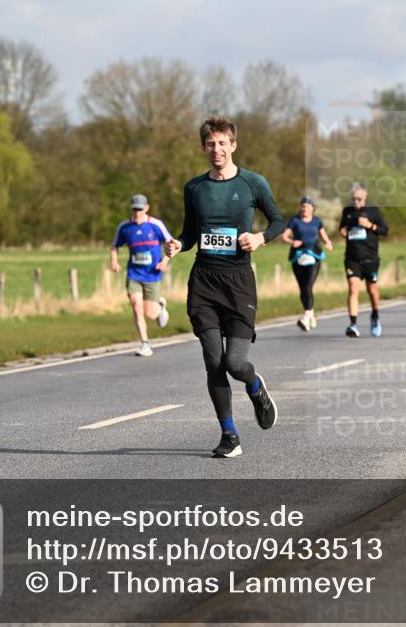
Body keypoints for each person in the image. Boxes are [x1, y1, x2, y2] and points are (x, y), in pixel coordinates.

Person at [165, 116, 283, 458]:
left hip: (239, 284)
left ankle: (255, 385)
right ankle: (229, 434)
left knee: (235, 363)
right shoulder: (194, 188)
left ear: (233, 145)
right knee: (213, 362)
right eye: (210, 144)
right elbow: (189, 232)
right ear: (203, 148)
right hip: (204, 282)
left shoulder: (253, 183)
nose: (216, 149)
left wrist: (260, 237)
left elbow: (278, 220)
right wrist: (178, 245)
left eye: (222, 143)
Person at [110, 194, 171, 357]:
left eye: (140, 209)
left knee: (150, 314)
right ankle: (145, 344)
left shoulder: (156, 225)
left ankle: (160, 308)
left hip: (152, 274)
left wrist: (164, 261)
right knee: (137, 308)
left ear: (146, 208)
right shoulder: (124, 227)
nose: (137, 212)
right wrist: (114, 262)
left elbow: (172, 245)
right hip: (134, 274)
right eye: (134, 209)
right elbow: (114, 246)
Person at [339, 182, 389, 337]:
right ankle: (353, 324)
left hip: (370, 258)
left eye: (359, 199)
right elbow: (342, 229)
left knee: (372, 290)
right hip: (352, 258)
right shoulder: (347, 211)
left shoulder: (373, 211)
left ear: (365, 196)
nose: (356, 202)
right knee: (353, 288)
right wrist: (343, 232)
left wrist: (370, 225)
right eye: (354, 199)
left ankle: (375, 314)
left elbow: (385, 231)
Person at [281, 196, 333, 332]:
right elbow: (284, 236)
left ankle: (306, 316)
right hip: (298, 256)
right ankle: (310, 313)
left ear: (312, 208)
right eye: (302, 206)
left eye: (307, 206)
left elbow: (323, 235)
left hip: (313, 256)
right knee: (303, 288)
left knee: (308, 285)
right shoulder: (294, 220)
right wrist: (293, 242)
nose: (304, 208)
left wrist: (328, 242)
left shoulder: (317, 221)